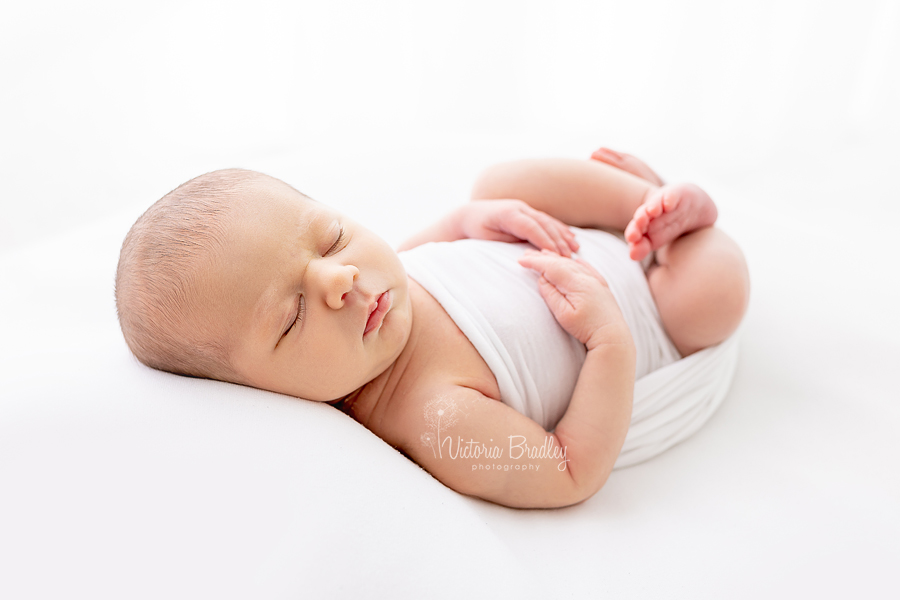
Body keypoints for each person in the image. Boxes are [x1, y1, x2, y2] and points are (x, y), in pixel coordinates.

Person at [115, 148, 749, 509]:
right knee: (713, 299)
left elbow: (418, 253)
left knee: (499, 181)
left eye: (331, 235)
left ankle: (640, 206)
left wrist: (469, 219)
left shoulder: (373, 293)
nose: (338, 280)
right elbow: (570, 471)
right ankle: (687, 231)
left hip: (561, 241)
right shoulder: (433, 417)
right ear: (257, 393)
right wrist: (609, 339)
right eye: (292, 316)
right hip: (645, 308)